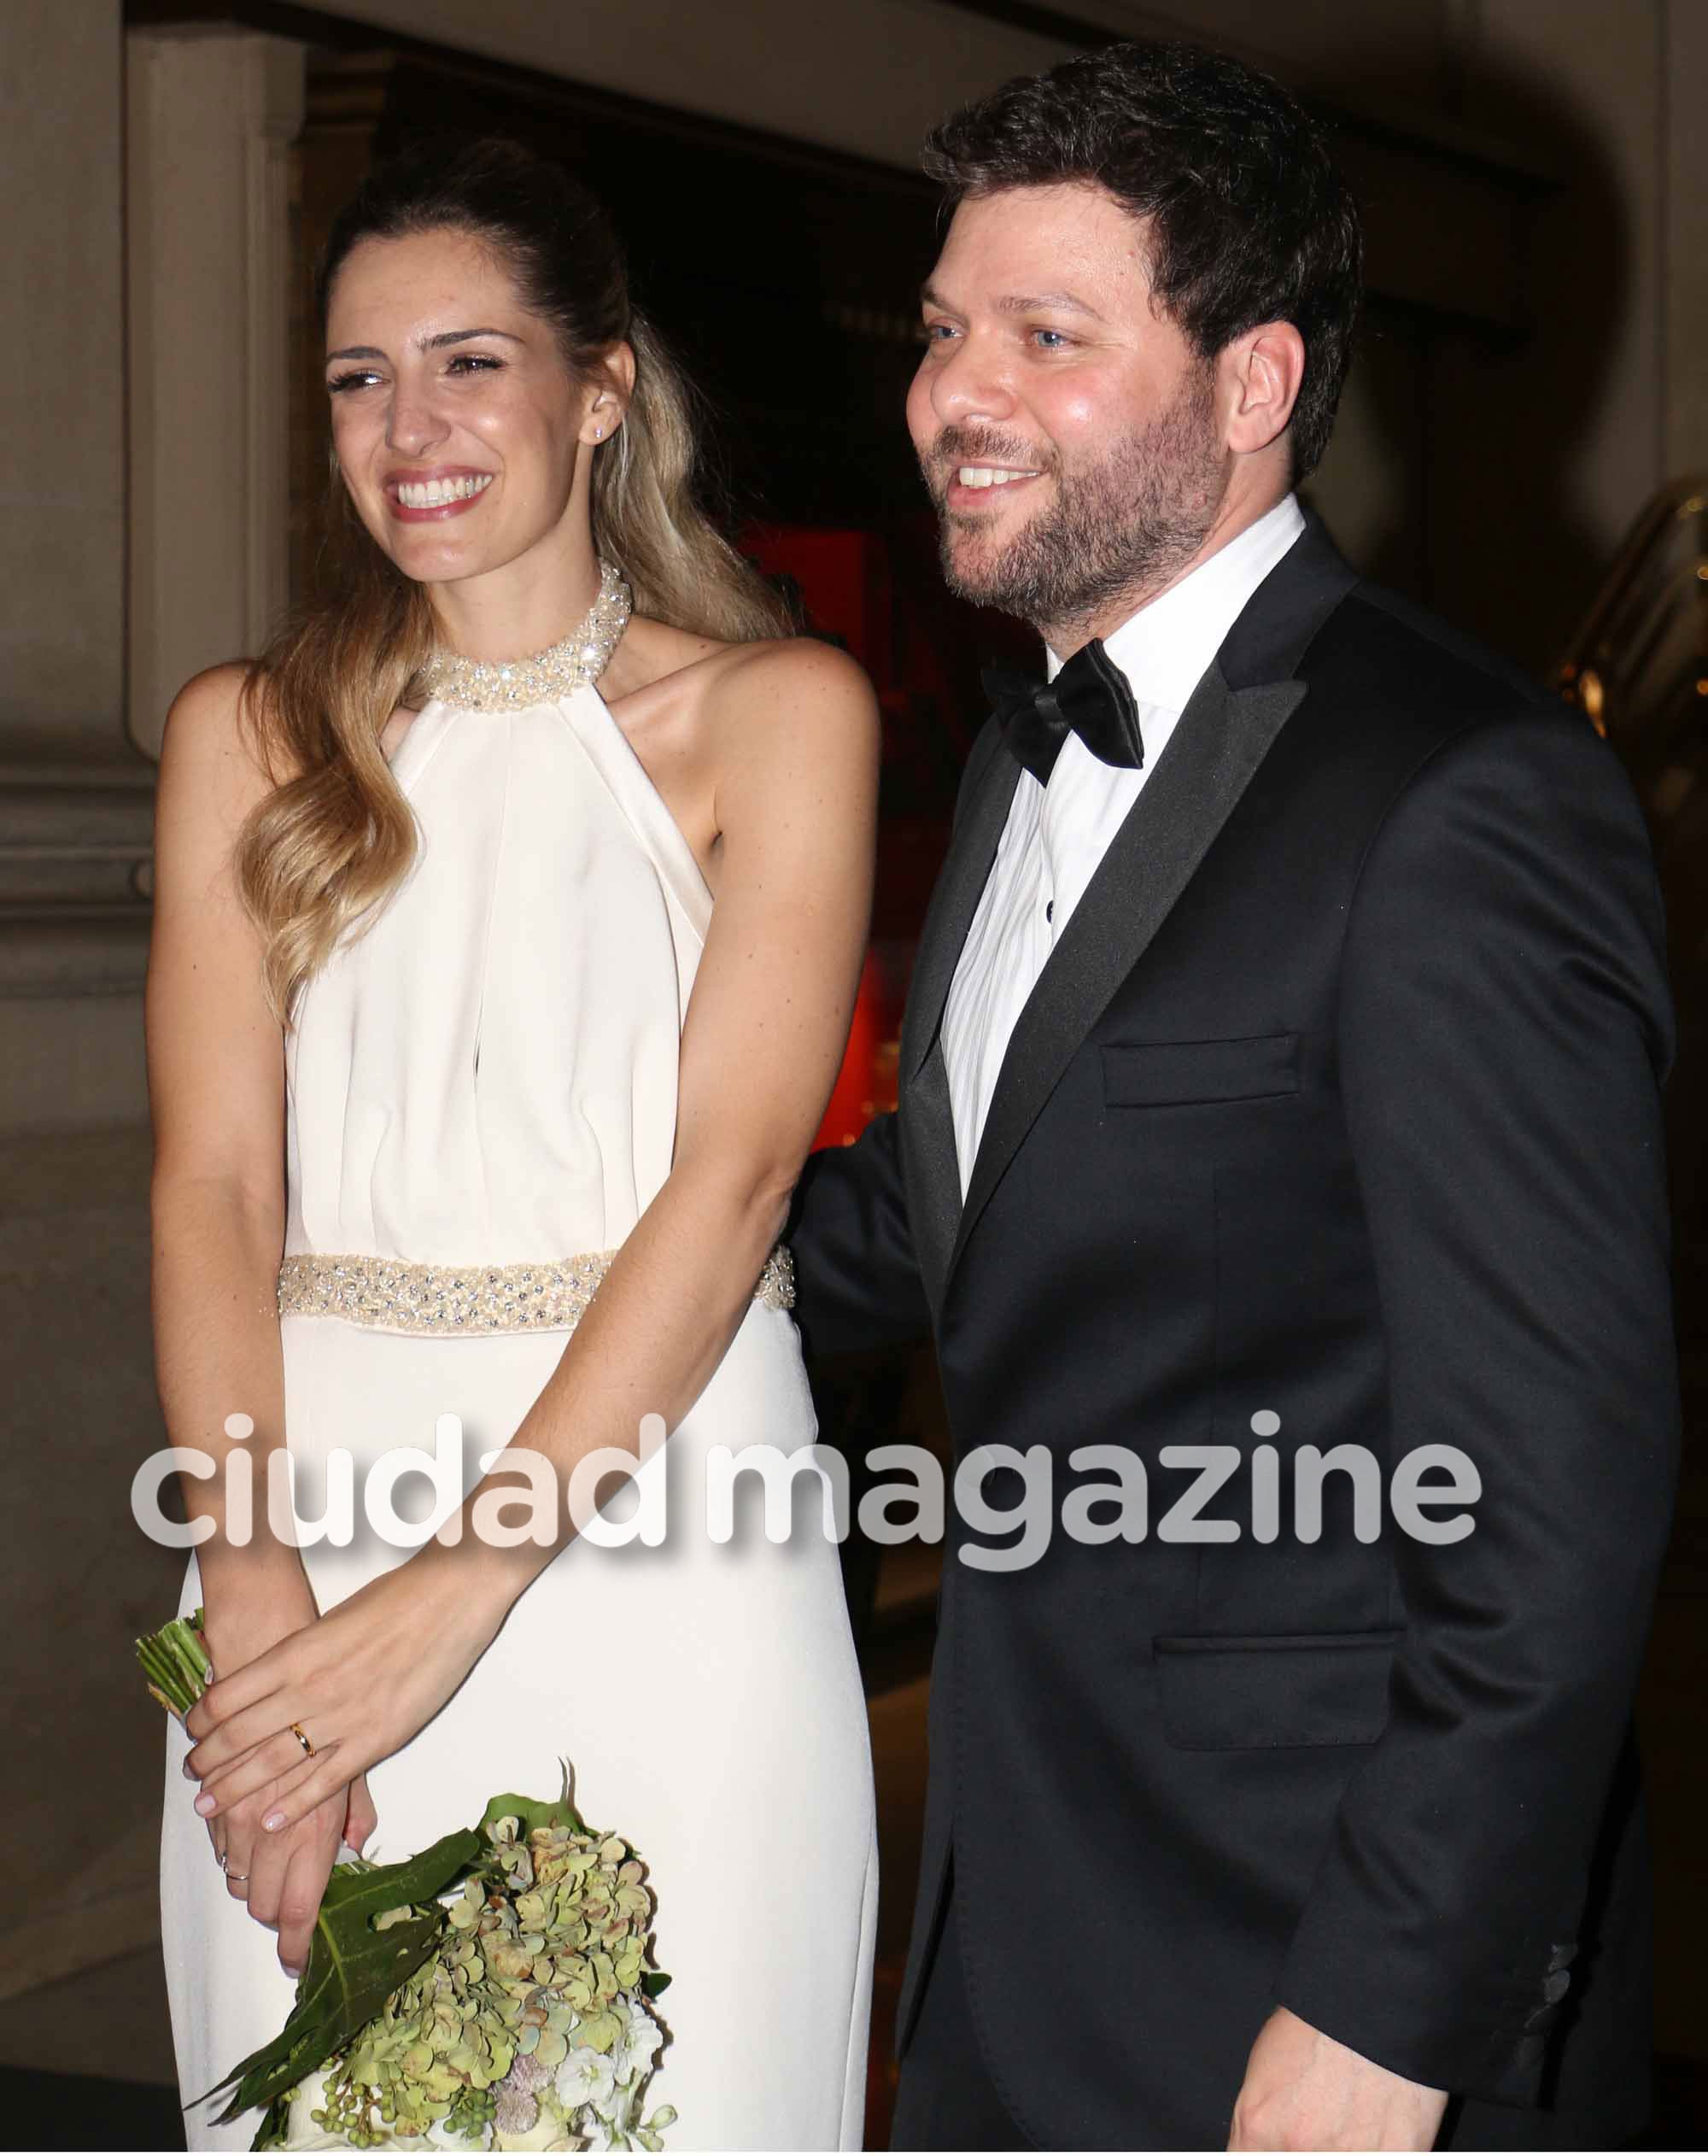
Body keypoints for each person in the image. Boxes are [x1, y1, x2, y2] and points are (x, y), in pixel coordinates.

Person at [787, 38, 1678, 2153]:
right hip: (1022, 1907)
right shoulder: (1018, 759)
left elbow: (1550, 1507)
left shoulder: (1461, 795)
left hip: (1308, 1965)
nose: (949, 393)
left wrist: (1389, 2010)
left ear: (1252, 382)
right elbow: (940, 1224)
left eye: (1043, 336)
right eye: (938, 332)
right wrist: (504, 1301)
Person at [155, 137, 880, 2150]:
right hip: (304, 1528)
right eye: (358, 377)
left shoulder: (776, 712)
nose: (410, 429)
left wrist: (455, 1594)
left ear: (602, 385)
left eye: (469, 364)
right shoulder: (250, 733)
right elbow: (209, 1180)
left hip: (662, 1529)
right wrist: (256, 1593)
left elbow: (731, 1181)